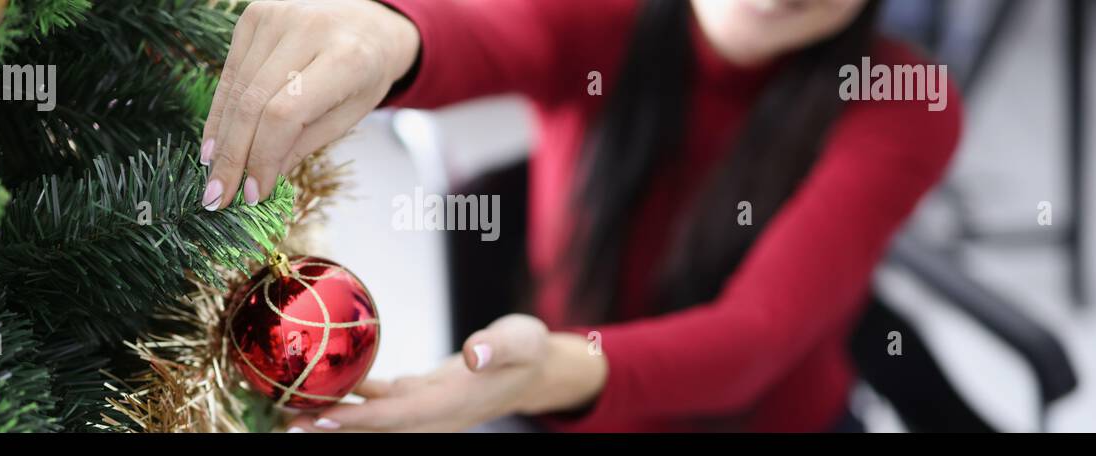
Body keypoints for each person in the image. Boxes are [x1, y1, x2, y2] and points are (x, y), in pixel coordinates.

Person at [198, 0, 963, 432]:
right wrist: (382, 30)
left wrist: (544, 373)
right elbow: (483, 32)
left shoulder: (902, 99)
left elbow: (753, 337)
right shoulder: (612, 19)